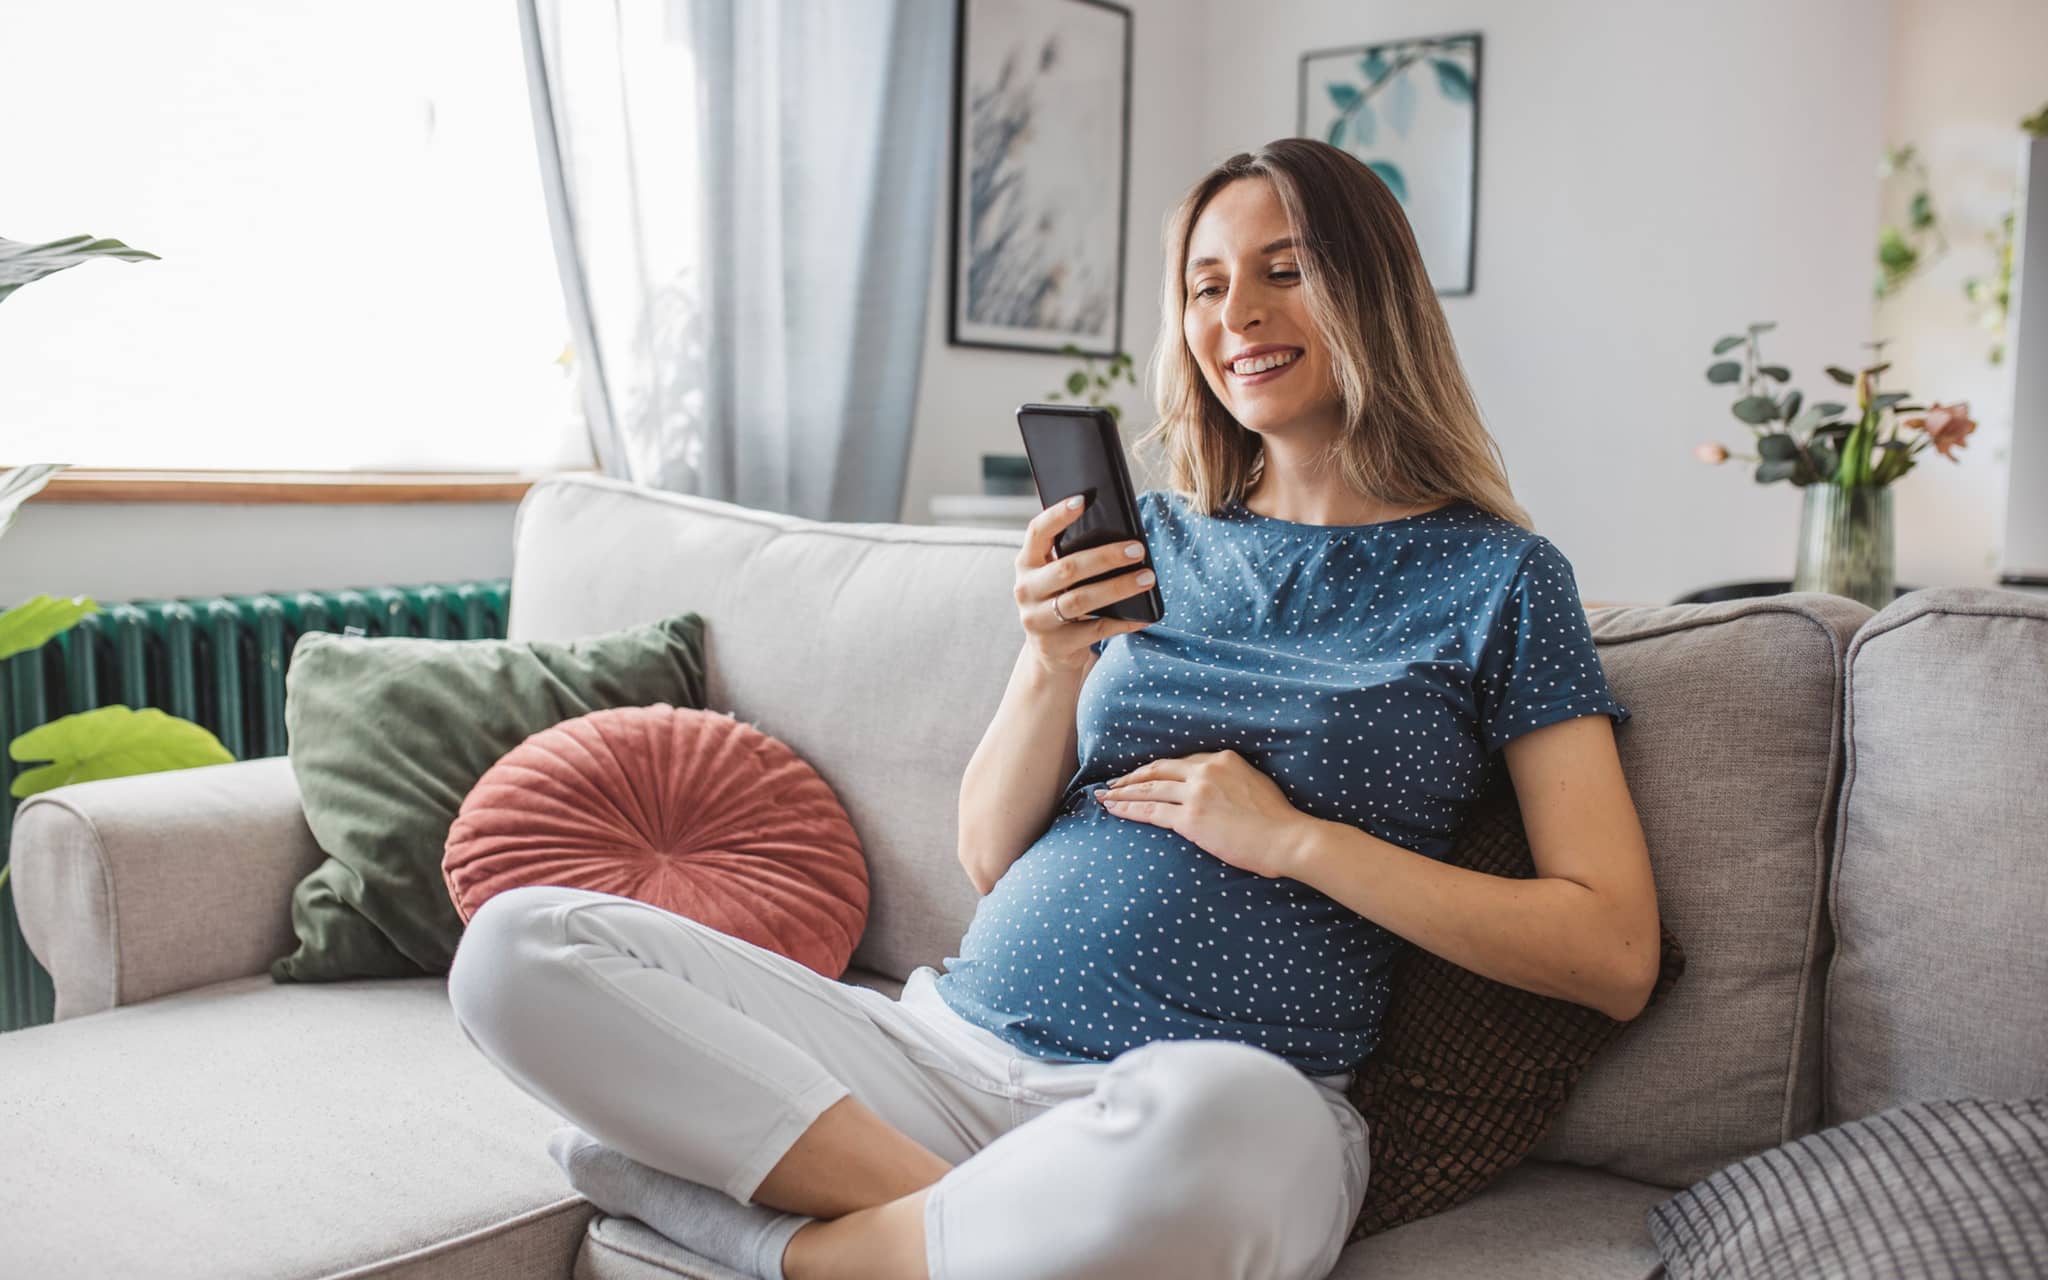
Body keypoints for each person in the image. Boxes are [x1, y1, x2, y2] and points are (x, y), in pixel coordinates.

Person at [446, 137, 1660, 1280]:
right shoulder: (1151, 540)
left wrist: (1295, 839)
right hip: (943, 1049)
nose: (1234, 314)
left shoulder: (1498, 579)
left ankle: (806, 1250)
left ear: (1375, 293)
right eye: (1205, 284)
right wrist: (1046, 658)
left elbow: (1608, 951)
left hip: (1216, 1091)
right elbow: (985, 853)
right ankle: (985, 1221)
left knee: (1228, 1127)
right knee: (519, 946)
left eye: (1284, 271)